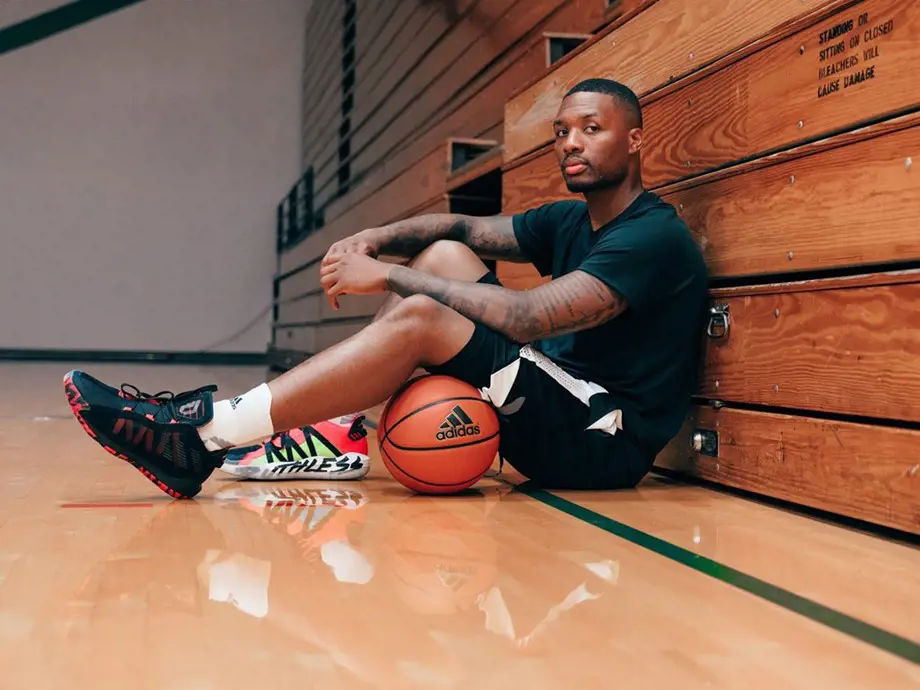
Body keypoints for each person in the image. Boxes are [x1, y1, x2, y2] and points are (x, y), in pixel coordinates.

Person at [63, 78, 709, 499]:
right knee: (447, 254)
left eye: (590, 129)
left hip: (603, 438)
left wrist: (390, 275)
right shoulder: (572, 219)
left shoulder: (651, 238)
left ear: (635, 140)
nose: (570, 143)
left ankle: (201, 435)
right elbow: (460, 227)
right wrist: (377, 237)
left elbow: (529, 316)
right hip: (562, 396)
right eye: (562, 131)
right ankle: (341, 436)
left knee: (427, 309)